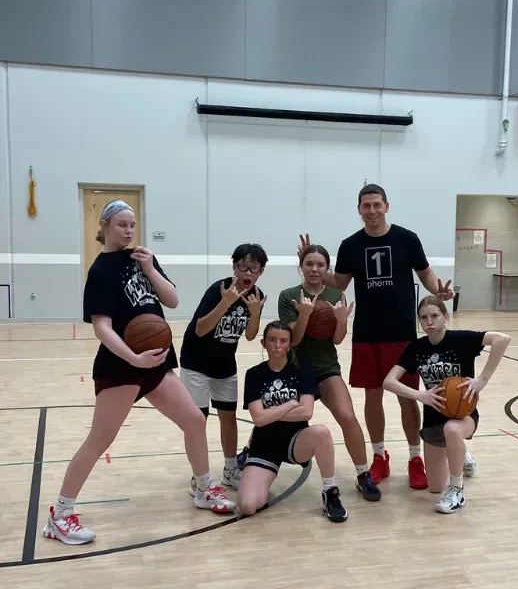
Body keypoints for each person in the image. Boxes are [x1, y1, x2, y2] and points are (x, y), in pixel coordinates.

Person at [43, 200, 236, 545]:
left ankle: (204, 489)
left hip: (156, 362)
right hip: (121, 365)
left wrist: (150, 269)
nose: (129, 230)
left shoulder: (143, 258)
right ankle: (60, 515)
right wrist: (133, 358)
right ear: (104, 227)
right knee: (100, 438)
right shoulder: (100, 271)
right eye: (121, 224)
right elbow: (101, 326)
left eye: (132, 224)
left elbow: (173, 300)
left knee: (194, 419)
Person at [298, 183, 454, 491]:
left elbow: (425, 273)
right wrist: (312, 265)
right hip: (367, 332)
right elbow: (340, 281)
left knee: (408, 399)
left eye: (376, 205)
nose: (371, 211)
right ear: (359, 209)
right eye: (366, 206)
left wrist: (439, 290)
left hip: (402, 333)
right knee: (372, 397)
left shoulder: (407, 239)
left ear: (387, 206)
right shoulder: (350, 245)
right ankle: (379, 455)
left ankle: (414, 458)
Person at [383, 295, 511, 513]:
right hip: (433, 419)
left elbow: (502, 339)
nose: (429, 322)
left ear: (445, 317)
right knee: (434, 487)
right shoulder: (417, 348)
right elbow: (388, 381)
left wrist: (482, 379)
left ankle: (457, 490)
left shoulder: (461, 340)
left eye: (434, 316)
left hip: (463, 416)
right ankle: (462, 455)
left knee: (452, 429)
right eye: (423, 318)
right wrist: (419, 395)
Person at [278, 244, 381, 502]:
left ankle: (363, 474)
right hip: (295, 372)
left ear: (327, 268)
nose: (314, 269)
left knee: (348, 417)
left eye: (320, 265)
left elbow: (337, 340)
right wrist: (304, 315)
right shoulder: (288, 295)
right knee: (274, 417)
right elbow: (295, 340)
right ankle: (251, 449)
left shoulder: (336, 294)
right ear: (301, 266)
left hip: (326, 369)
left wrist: (342, 320)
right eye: (309, 264)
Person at [238, 321, 348, 523]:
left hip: (295, 441)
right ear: (263, 343)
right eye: (272, 340)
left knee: (321, 433)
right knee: (247, 506)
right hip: (264, 446)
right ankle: (255, 477)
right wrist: (289, 404)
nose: (277, 345)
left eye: (283, 341)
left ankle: (330, 492)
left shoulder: (302, 369)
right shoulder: (254, 374)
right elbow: (258, 419)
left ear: (290, 345)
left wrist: (269, 412)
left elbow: (306, 412)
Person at [179, 244, 267, 493]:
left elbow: (250, 336)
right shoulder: (218, 290)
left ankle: (230, 471)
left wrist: (255, 313)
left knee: (229, 419)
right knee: (197, 420)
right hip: (196, 362)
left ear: (261, 271)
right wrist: (225, 303)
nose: (248, 272)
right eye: (243, 266)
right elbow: (200, 329)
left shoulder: (256, 294)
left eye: (254, 268)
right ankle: (200, 477)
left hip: (225, 364)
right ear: (234, 266)